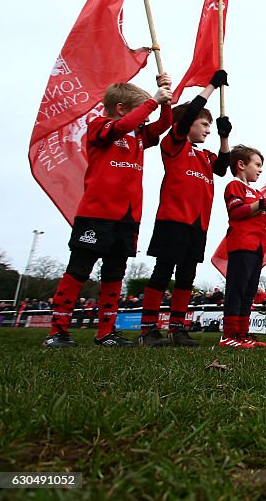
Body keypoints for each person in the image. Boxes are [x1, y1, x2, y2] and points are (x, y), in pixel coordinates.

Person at [44, 75, 173, 348]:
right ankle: (58, 330)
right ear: (122, 108)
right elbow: (123, 126)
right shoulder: (99, 126)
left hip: (127, 218)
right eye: (140, 112)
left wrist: (166, 98)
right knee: (79, 269)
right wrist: (153, 101)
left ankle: (106, 332)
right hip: (97, 214)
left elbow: (164, 124)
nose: (145, 120)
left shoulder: (139, 135)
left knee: (115, 273)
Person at [138, 71, 230, 348]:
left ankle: (177, 328)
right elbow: (189, 112)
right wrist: (211, 85)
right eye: (204, 124)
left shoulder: (205, 155)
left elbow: (223, 167)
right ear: (185, 124)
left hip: (197, 223)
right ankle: (148, 328)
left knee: (187, 274)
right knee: (163, 271)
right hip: (173, 219)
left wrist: (225, 137)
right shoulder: (174, 145)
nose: (207, 129)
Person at [219, 145, 266, 348]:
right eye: (257, 165)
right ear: (241, 164)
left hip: (256, 246)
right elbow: (237, 212)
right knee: (236, 289)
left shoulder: (255, 191)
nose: (260, 169)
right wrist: (263, 204)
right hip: (242, 244)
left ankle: (242, 333)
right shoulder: (235, 186)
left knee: (248, 290)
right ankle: (228, 335)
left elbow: (265, 213)